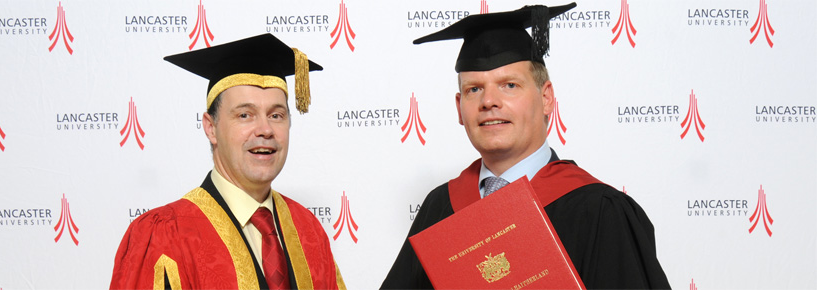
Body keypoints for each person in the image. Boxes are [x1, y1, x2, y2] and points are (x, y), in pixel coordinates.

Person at [381, 3, 670, 289]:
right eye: (474, 89)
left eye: (509, 85)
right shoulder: (440, 207)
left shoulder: (598, 211)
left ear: (546, 98)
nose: (489, 101)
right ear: (460, 108)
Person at [110, 33, 346, 290]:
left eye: (276, 115)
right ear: (211, 128)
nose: (265, 129)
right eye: (245, 115)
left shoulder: (307, 230)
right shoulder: (165, 237)